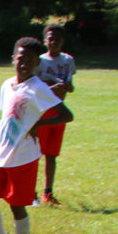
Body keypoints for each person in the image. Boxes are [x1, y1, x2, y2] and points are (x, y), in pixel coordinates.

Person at [0, 37, 74, 234]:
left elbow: (66, 114)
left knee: (17, 205)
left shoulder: (38, 87)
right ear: (13, 58)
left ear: (36, 65)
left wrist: (39, 123)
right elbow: (8, 117)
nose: (24, 63)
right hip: (2, 152)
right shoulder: (7, 85)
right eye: (21, 58)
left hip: (24, 155)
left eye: (30, 60)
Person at [34, 23, 76, 207]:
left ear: (63, 41)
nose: (53, 42)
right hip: (43, 110)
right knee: (36, 153)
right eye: (50, 38)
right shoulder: (40, 61)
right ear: (45, 40)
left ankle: (48, 193)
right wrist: (52, 87)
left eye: (57, 39)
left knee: (52, 155)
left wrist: (68, 87)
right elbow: (34, 86)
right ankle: (30, 192)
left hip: (60, 111)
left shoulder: (68, 60)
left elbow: (70, 85)